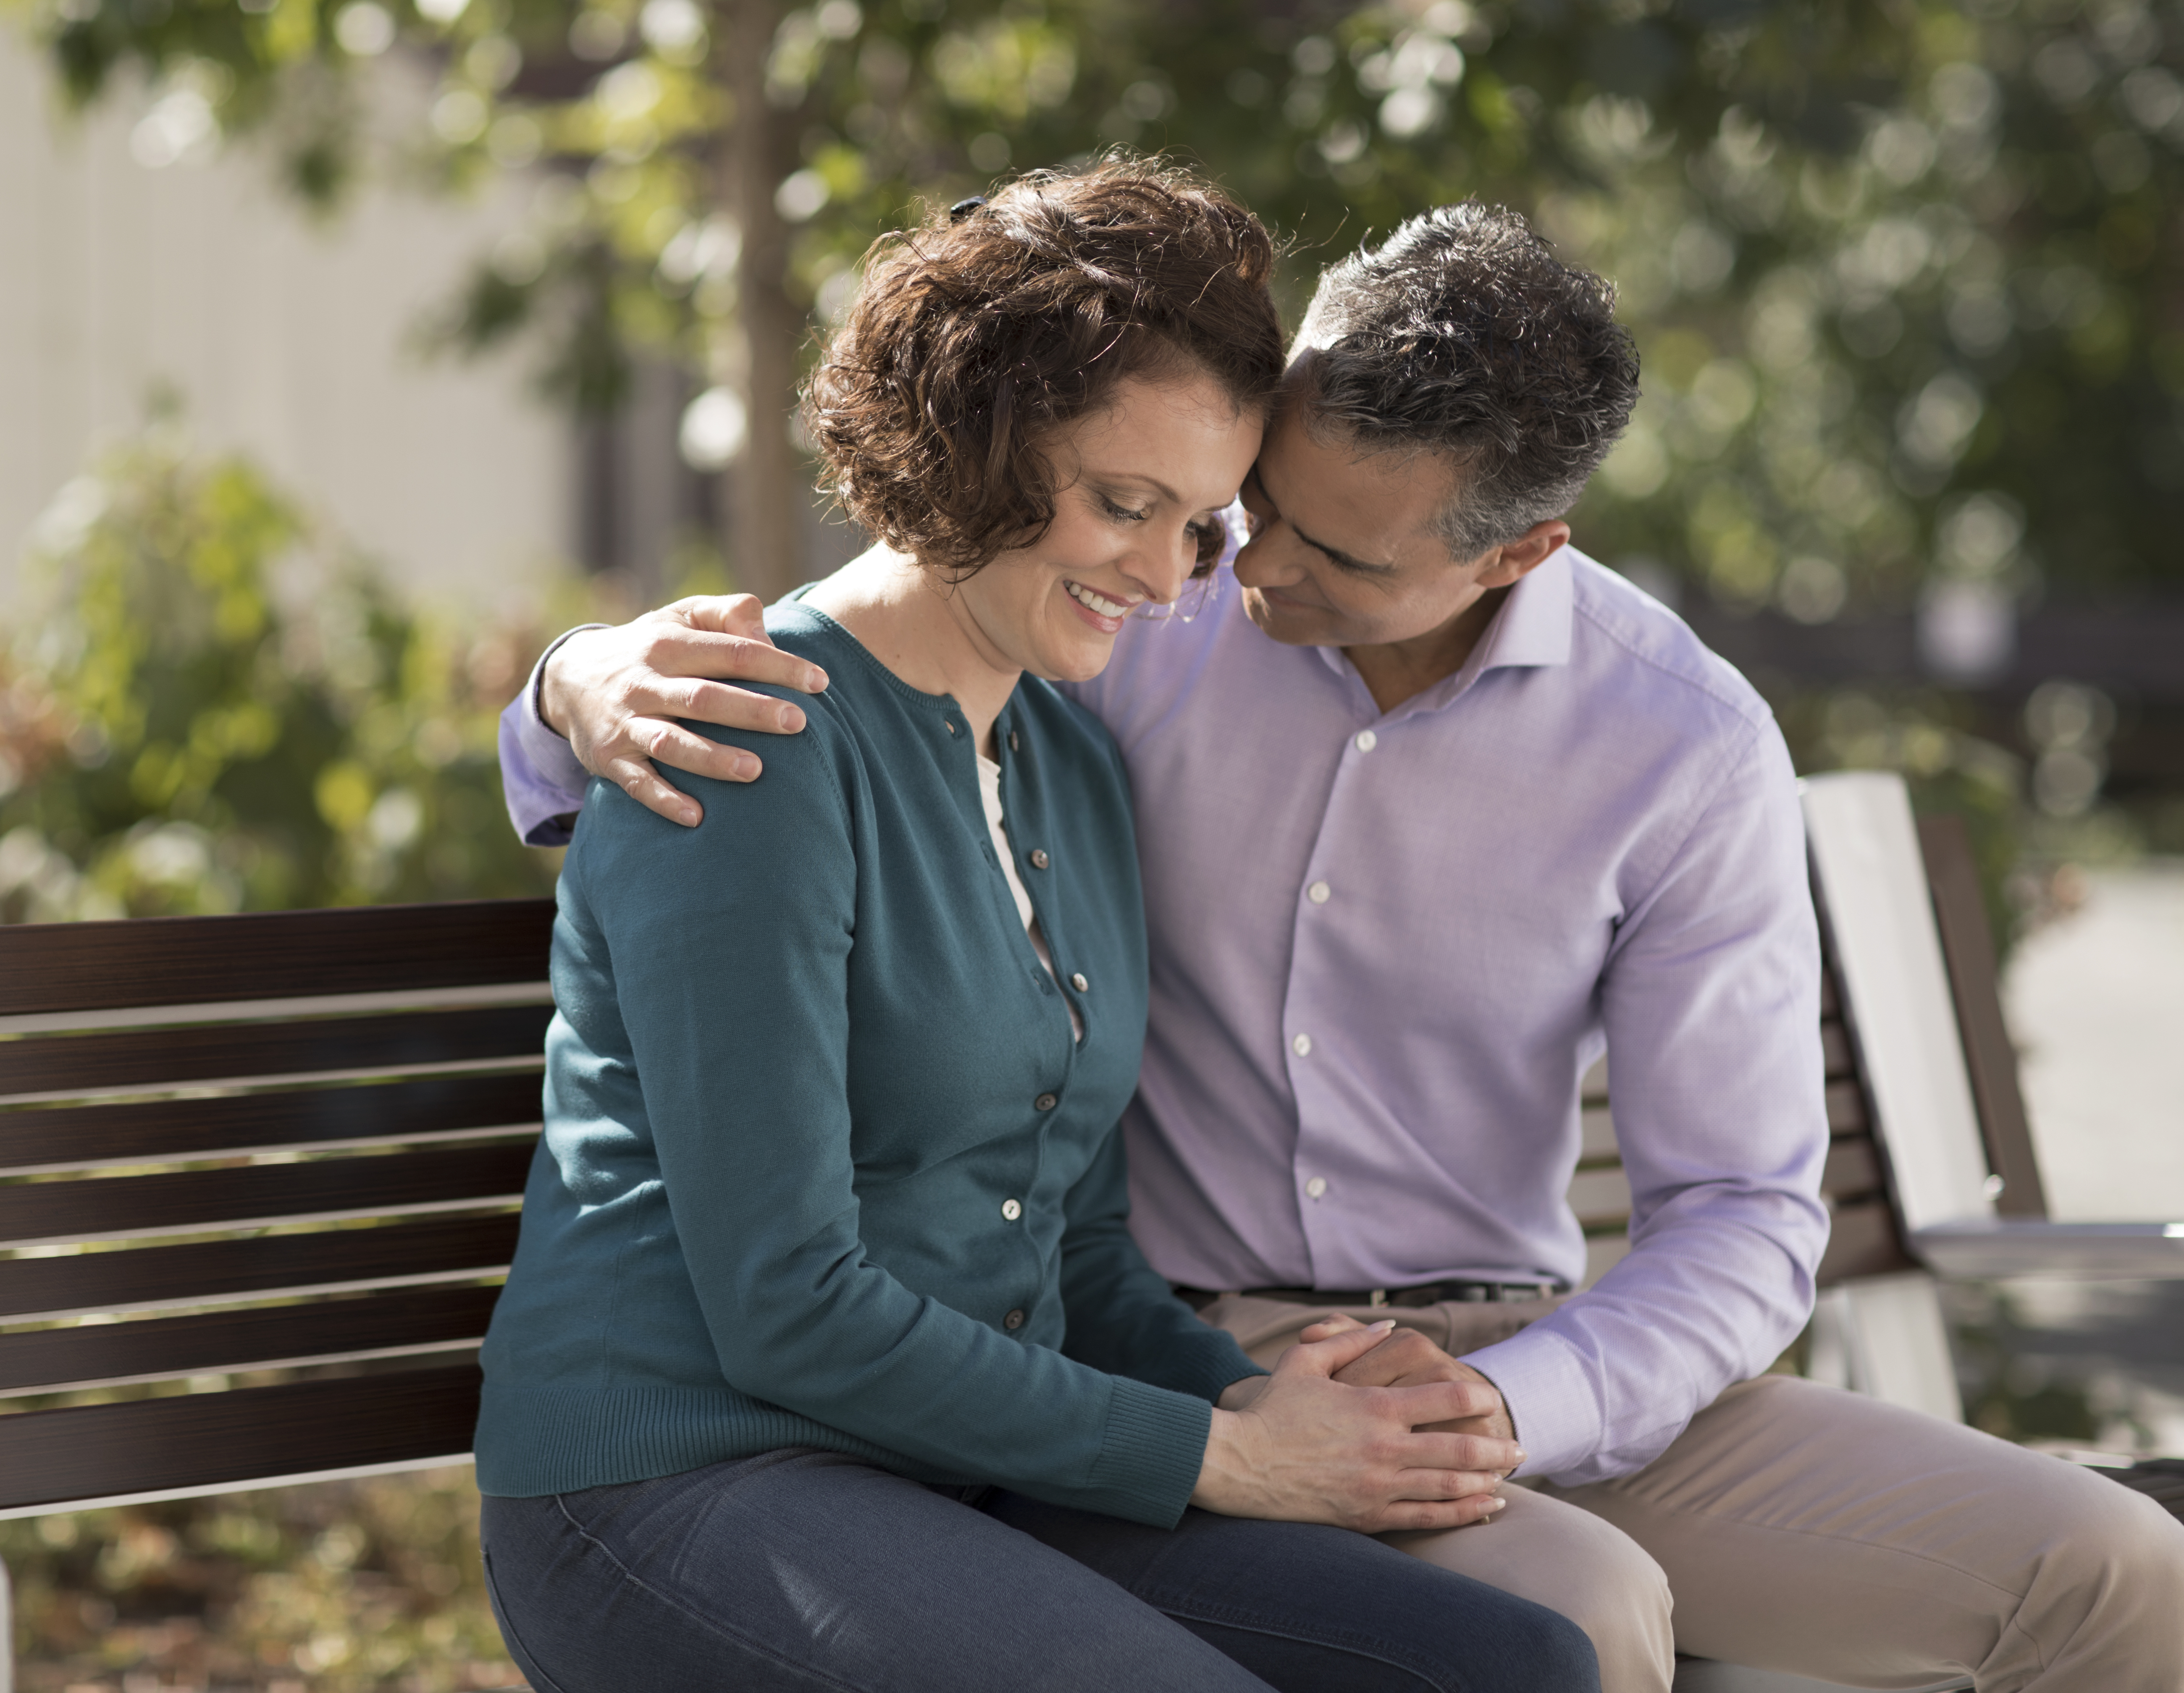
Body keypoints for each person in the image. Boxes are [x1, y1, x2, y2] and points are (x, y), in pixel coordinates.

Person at [499, 201, 2184, 1692]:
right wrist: (568, 690)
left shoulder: (1659, 740)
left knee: (2109, 1583)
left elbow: (1745, 1215)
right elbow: (824, 695)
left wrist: (1491, 1407)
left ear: (1521, 551)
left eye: (1293, 542)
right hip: (938, 1401)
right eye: (1234, 513)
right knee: (1576, 1618)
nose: (1221, 580)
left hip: (1464, 1361)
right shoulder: (1104, 650)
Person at [472, 162, 1603, 1693]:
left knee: (1516, 1667)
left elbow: (1070, 1235)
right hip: (685, 1479)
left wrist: (1282, 1408)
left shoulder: (1065, 755)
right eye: (1122, 503)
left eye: (1201, 524)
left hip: (963, 1467)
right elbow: (788, 1309)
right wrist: (1227, 1456)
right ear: (970, 442)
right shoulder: (752, 741)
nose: (1164, 576)